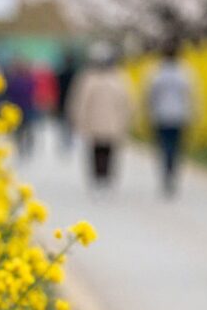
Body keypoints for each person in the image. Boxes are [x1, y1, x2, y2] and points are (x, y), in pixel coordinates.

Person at [67, 45, 134, 191]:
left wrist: (77, 119)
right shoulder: (118, 78)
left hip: (98, 123)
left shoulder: (89, 78)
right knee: (104, 151)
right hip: (109, 123)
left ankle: (101, 178)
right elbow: (127, 102)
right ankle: (103, 178)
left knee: (100, 151)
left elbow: (79, 102)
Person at [145, 39, 198, 195]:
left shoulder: (156, 72)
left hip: (161, 115)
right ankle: (172, 174)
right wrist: (194, 113)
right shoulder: (185, 72)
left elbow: (150, 94)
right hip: (180, 116)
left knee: (163, 147)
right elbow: (191, 95)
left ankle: (166, 174)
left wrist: (148, 111)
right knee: (175, 148)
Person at [53, 49, 80, 150]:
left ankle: (65, 141)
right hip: (72, 101)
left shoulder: (61, 74)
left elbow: (56, 89)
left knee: (63, 123)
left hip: (63, 101)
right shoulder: (76, 74)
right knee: (70, 122)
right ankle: (69, 140)